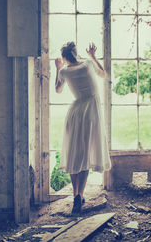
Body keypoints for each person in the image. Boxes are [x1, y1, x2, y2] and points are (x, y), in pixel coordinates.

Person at [55, 42, 111, 214]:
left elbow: (58, 90)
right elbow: (103, 73)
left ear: (64, 57)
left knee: (74, 153)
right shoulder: (87, 64)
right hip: (90, 113)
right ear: (75, 54)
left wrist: (58, 68)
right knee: (85, 154)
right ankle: (80, 193)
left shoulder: (64, 71)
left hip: (75, 113)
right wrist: (93, 56)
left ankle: (76, 196)